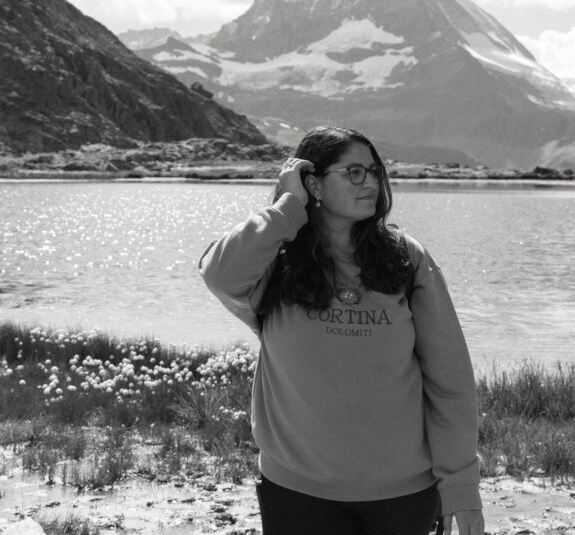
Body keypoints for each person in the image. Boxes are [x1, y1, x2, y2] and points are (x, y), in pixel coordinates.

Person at [200, 125, 485, 535]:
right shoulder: (273, 263)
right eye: (353, 172)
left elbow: (450, 380)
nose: (369, 181)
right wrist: (285, 208)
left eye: (374, 171)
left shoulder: (407, 259)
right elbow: (219, 274)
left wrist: (460, 484)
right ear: (312, 183)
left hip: (402, 495)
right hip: (297, 492)